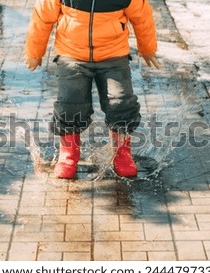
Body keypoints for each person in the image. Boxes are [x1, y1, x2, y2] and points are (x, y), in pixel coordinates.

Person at [25, 0, 159, 179]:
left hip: (113, 54)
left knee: (120, 102)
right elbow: (43, 16)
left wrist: (147, 48)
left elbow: (142, 16)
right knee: (70, 103)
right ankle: (68, 155)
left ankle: (122, 154)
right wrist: (35, 52)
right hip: (72, 54)